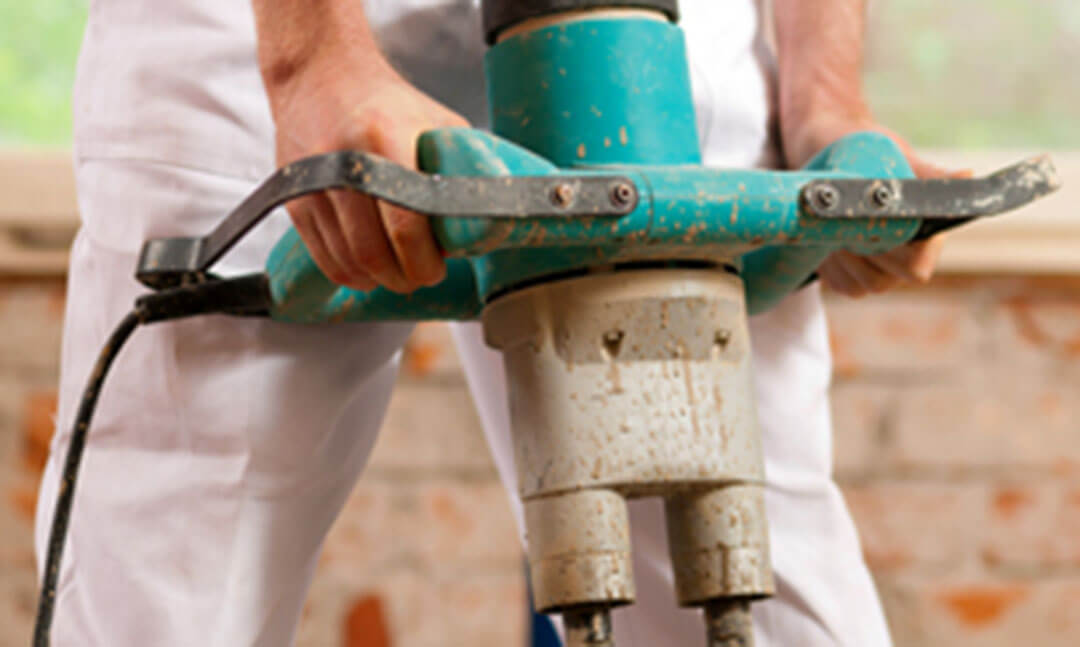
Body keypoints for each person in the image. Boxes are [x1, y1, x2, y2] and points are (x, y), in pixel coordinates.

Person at [36, 0, 957, 645]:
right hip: (282, 20)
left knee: (765, 594)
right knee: (176, 595)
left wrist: (825, 95)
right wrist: (308, 58)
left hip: (658, 32)